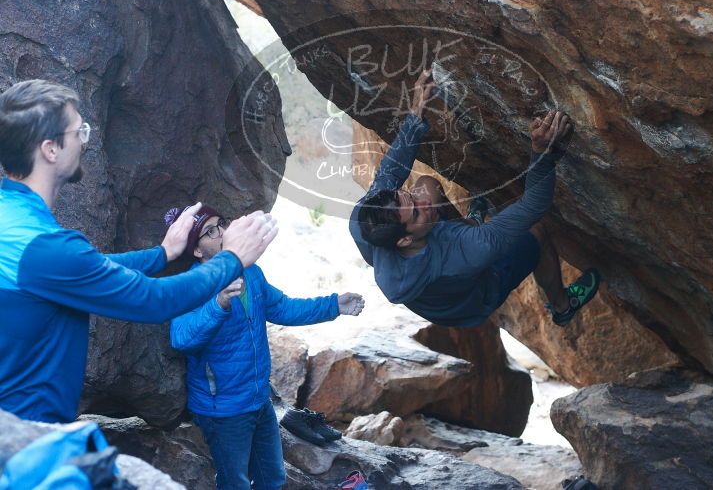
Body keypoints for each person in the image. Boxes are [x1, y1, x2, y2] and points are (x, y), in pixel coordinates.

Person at [0, 79, 277, 424]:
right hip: (25, 441)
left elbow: (90, 269)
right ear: (50, 150)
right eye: (79, 132)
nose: (86, 142)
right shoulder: (49, 248)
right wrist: (232, 258)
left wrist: (162, 254)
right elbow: (154, 300)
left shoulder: (14, 222)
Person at [349, 69, 600, 329]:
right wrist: (542, 153)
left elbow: (390, 172)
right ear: (404, 240)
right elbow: (534, 205)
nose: (423, 203)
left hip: (438, 280)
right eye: (416, 212)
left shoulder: (364, 222)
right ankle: (563, 306)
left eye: (408, 196)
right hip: (474, 299)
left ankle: (472, 221)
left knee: (426, 185)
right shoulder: (468, 251)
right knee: (537, 231)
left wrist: (415, 116)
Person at [169, 207, 365, 490]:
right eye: (209, 232)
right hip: (222, 409)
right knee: (234, 483)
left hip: (259, 400)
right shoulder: (192, 284)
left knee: (272, 479)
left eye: (220, 224)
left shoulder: (251, 273)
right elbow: (181, 339)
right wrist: (219, 304)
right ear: (197, 251)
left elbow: (283, 308)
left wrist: (334, 304)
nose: (221, 233)